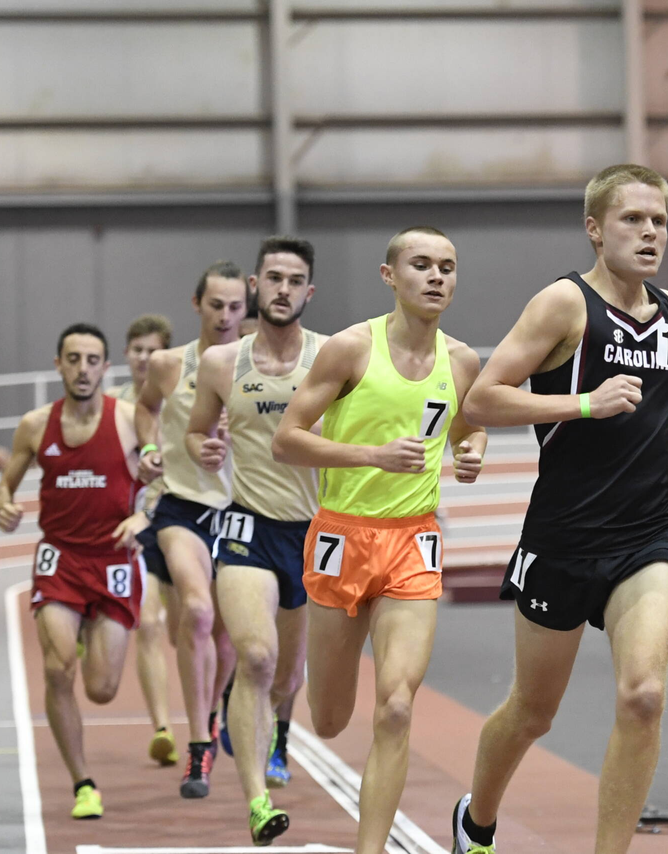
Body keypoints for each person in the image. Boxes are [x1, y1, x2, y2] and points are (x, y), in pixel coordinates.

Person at [449, 164, 668, 854]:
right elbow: (480, 400)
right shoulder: (562, 305)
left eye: (658, 220)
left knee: (644, 695)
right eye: (633, 220)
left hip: (647, 531)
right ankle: (477, 822)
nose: (650, 232)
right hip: (562, 535)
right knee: (533, 713)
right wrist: (583, 403)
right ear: (595, 229)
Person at [272, 225, 486, 854]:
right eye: (421, 265)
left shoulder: (462, 360)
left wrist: (470, 451)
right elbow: (287, 440)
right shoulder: (349, 349)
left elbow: (466, 427)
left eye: (447, 266)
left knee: (395, 704)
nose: (437, 276)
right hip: (342, 534)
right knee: (331, 718)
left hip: (413, 541)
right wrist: (369, 454)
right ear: (390, 276)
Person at [187, 235, 324, 844]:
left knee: (288, 680)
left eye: (295, 281)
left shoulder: (332, 358)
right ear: (254, 285)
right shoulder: (222, 365)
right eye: (273, 278)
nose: (283, 289)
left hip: (313, 534)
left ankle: (277, 734)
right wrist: (205, 447)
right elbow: (196, 433)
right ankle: (258, 801)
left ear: (308, 292)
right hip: (247, 525)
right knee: (257, 656)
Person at [0, 324, 150, 819]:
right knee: (58, 669)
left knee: (101, 689)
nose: (82, 369)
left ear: (106, 367)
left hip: (113, 562)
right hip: (59, 560)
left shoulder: (129, 419)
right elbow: (6, 484)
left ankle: (85, 630)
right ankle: (83, 782)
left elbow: (168, 480)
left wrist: (144, 514)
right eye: (73, 359)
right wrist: (3, 506)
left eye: (92, 360)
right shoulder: (36, 424)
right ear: (59, 364)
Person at [136, 262, 247, 798]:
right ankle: (198, 746)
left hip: (242, 512)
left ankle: (214, 710)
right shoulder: (165, 364)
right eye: (216, 306)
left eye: (234, 307)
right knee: (197, 612)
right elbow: (145, 409)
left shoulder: (260, 366)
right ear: (196, 304)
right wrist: (153, 449)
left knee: (227, 639)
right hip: (181, 509)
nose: (225, 317)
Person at [108, 313, 179, 766]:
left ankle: (209, 715)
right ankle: (163, 727)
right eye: (137, 350)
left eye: (153, 351)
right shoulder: (110, 406)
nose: (144, 358)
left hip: (174, 517)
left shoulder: (176, 404)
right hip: (131, 528)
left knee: (191, 628)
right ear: (126, 355)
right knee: (148, 624)